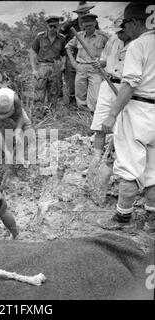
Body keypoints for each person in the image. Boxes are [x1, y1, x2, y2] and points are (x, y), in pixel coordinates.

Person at [97, 2, 155, 232]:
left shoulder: (138, 45)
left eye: (127, 24)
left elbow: (130, 83)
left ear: (135, 22)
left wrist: (111, 115)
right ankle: (151, 219)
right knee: (152, 171)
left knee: (129, 169)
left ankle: (122, 219)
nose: (126, 30)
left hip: (138, 110)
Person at [90, 16, 132, 162]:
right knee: (100, 123)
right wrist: (99, 63)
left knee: (124, 126)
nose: (119, 34)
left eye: (121, 31)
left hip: (128, 87)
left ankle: (119, 159)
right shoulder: (113, 39)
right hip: (108, 84)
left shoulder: (139, 43)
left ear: (130, 27)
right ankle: (96, 158)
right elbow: (104, 59)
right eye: (117, 31)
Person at [65, 13, 109, 112]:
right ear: (82, 25)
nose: (88, 28)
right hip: (81, 68)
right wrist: (73, 63)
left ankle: (93, 114)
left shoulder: (103, 36)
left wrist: (103, 62)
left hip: (96, 69)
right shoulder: (78, 35)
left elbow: (111, 52)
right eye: (86, 26)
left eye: (90, 25)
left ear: (95, 23)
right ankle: (84, 116)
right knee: (80, 95)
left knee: (95, 96)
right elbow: (68, 47)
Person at [61, 1, 98, 104]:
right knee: (71, 82)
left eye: (85, 12)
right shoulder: (70, 24)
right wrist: (63, 56)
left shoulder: (94, 23)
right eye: (81, 13)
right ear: (78, 14)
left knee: (86, 81)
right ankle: (72, 105)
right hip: (72, 55)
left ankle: (87, 105)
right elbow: (60, 37)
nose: (83, 15)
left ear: (89, 11)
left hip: (87, 56)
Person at [0, 87, 32, 165]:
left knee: (27, 126)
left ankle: (19, 156)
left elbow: (20, 116)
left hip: (14, 111)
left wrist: (17, 131)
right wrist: (6, 150)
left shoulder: (15, 99)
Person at [30, 16, 66, 112]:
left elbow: (64, 54)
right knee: (39, 91)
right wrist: (34, 70)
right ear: (47, 26)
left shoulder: (62, 39)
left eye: (55, 26)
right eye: (51, 26)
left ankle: (51, 113)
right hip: (42, 66)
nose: (53, 28)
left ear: (58, 26)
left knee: (54, 92)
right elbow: (32, 52)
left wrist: (63, 66)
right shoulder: (40, 37)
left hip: (55, 67)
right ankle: (38, 113)